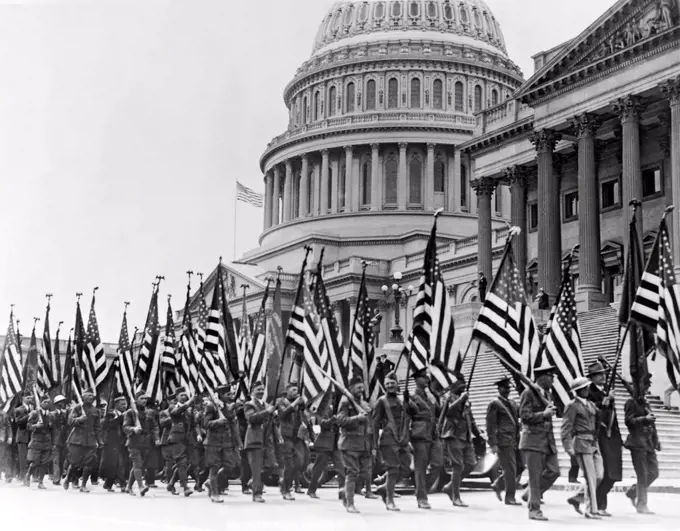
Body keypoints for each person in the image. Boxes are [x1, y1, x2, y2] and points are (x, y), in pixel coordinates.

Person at [519, 366, 560, 521]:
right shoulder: (528, 393)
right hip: (532, 440)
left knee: (554, 471)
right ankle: (534, 510)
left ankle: (529, 494)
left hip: (547, 440)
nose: (553, 380)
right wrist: (543, 414)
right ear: (542, 378)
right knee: (535, 477)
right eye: (551, 377)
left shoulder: (547, 395)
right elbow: (524, 416)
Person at [562, 377, 604, 519]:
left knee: (599, 475)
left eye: (587, 387)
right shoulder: (572, 406)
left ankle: (578, 498)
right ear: (577, 391)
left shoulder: (591, 405)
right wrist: (568, 447)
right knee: (591, 477)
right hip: (581, 442)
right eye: (583, 388)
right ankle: (591, 510)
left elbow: (598, 422)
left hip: (593, 442)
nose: (586, 390)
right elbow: (566, 428)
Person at [587, 361, 622, 515]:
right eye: (599, 374)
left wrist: (619, 438)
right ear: (592, 377)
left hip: (611, 436)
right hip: (599, 435)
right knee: (605, 471)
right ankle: (599, 505)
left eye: (604, 374)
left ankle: (598, 503)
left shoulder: (606, 392)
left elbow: (614, 418)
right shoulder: (589, 392)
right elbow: (590, 411)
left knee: (614, 472)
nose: (603, 376)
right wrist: (603, 402)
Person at [373, 371, 410, 511]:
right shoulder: (381, 401)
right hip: (388, 439)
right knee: (393, 468)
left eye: (392, 383)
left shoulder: (402, 400)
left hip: (402, 439)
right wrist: (374, 443)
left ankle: (384, 487)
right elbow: (375, 423)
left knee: (406, 467)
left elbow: (414, 411)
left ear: (397, 385)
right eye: (387, 384)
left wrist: (408, 401)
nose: (389, 386)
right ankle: (389, 500)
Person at [336, 375, 373, 514]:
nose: (361, 390)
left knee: (365, 474)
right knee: (352, 473)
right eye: (358, 388)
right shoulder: (345, 401)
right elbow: (340, 420)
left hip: (363, 443)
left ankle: (345, 491)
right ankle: (350, 503)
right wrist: (356, 418)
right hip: (349, 443)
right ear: (351, 388)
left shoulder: (362, 402)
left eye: (362, 388)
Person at [440, 375, 479, 508]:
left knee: (471, 464)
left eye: (464, 384)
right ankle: (456, 496)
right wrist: (461, 399)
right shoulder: (447, 397)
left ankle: (450, 486)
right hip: (453, 435)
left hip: (466, 436)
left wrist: (478, 433)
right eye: (460, 384)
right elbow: (448, 413)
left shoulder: (466, 400)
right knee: (458, 466)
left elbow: (471, 418)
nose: (464, 386)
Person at [408, 368, 443, 510]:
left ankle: (422, 490)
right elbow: (407, 417)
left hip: (433, 434)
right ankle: (422, 497)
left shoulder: (431, 396)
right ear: (416, 380)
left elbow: (440, 413)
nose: (427, 380)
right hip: (420, 435)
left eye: (427, 377)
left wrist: (439, 399)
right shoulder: (411, 396)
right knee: (420, 468)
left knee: (438, 464)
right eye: (424, 378)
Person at [624, 374, 659, 514]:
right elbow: (628, 422)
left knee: (654, 473)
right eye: (645, 385)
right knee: (642, 474)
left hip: (649, 442)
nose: (647, 388)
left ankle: (633, 491)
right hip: (637, 442)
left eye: (648, 385)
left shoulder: (645, 403)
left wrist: (657, 440)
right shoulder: (630, 402)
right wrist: (644, 418)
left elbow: (652, 423)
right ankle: (642, 504)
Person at [486, 377, 522, 506]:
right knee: (510, 469)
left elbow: (521, 413)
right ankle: (510, 497)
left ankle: (498, 484)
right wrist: (493, 444)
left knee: (521, 466)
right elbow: (490, 425)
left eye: (509, 388)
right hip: (503, 441)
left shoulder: (512, 403)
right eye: (505, 388)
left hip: (515, 440)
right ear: (499, 389)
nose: (507, 390)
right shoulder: (494, 403)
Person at [203, 385, 240, 504]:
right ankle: (215, 493)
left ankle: (211, 482)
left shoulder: (226, 407)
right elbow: (205, 424)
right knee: (214, 467)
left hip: (227, 441)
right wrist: (217, 422)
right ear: (220, 395)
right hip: (214, 441)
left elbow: (233, 424)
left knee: (231, 465)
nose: (229, 396)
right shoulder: (211, 406)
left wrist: (237, 441)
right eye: (226, 394)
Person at [244, 380, 276, 503]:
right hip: (254, 440)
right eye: (258, 389)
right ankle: (257, 493)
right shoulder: (249, 404)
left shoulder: (267, 405)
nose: (261, 392)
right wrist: (267, 412)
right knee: (256, 468)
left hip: (266, 439)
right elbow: (251, 418)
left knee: (271, 465)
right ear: (252, 391)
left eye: (262, 389)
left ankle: (254, 481)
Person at [64, 388, 102, 493]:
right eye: (88, 395)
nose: (91, 397)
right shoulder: (77, 408)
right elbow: (70, 421)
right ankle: (68, 478)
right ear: (83, 397)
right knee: (75, 463)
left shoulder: (96, 410)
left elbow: (97, 427)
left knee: (89, 463)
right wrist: (79, 419)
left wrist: (99, 440)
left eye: (92, 395)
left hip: (90, 440)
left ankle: (83, 485)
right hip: (76, 440)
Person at [306, 397, 344, 499]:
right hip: (325, 443)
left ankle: (342, 491)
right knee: (318, 468)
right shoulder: (320, 411)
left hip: (335, 443)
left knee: (341, 467)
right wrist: (333, 419)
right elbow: (323, 424)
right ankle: (311, 489)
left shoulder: (339, 409)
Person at [123, 390, 158, 497]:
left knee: (138, 466)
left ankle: (128, 487)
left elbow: (155, 427)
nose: (144, 400)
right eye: (141, 398)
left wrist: (156, 438)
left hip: (146, 442)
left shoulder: (150, 412)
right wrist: (133, 429)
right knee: (137, 464)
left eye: (145, 398)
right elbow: (125, 427)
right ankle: (141, 487)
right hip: (134, 442)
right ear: (136, 400)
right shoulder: (130, 412)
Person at [166, 387, 200, 497]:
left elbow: (194, 423)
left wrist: (198, 433)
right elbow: (176, 413)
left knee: (190, 463)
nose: (184, 397)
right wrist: (189, 403)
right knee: (182, 462)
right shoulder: (172, 407)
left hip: (188, 439)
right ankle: (185, 487)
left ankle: (171, 483)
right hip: (176, 438)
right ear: (176, 397)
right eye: (181, 395)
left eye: (185, 395)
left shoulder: (190, 409)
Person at [276, 381, 305, 500]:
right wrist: (294, 404)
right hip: (285, 436)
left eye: (296, 390)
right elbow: (283, 414)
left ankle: (283, 481)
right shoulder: (281, 401)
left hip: (296, 436)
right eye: (293, 390)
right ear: (287, 391)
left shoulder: (297, 402)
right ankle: (286, 489)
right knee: (289, 464)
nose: (295, 392)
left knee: (299, 463)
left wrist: (301, 404)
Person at [100, 395, 128, 492]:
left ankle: (108, 483)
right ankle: (123, 484)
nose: (125, 406)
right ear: (116, 405)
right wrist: (120, 418)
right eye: (122, 404)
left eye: (126, 404)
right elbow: (108, 425)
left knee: (116, 464)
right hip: (111, 442)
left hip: (122, 442)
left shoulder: (127, 414)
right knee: (118, 463)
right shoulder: (110, 413)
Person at [25, 393, 53, 489]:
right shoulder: (35, 413)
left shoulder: (50, 414)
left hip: (47, 442)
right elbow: (28, 426)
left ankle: (40, 482)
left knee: (44, 462)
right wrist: (35, 426)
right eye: (44, 402)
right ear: (40, 403)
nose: (47, 404)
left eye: (48, 402)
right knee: (35, 462)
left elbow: (52, 429)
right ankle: (28, 475)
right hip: (37, 441)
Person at [14, 392, 34, 482]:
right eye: (28, 397)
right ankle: (22, 477)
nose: (30, 399)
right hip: (22, 437)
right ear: (23, 398)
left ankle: (30, 476)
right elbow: (19, 422)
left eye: (31, 398)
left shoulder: (33, 409)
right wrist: (28, 416)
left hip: (32, 436)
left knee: (31, 457)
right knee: (23, 458)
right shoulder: (19, 409)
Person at [50, 395, 68, 485]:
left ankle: (59, 477)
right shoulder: (52, 414)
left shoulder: (65, 414)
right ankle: (56, 479)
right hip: (55, 440)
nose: (62, 403)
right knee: (56, 460)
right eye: (61, 402)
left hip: (64, 440)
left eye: (63, 402)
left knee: (62, 460)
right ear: (56, 404)